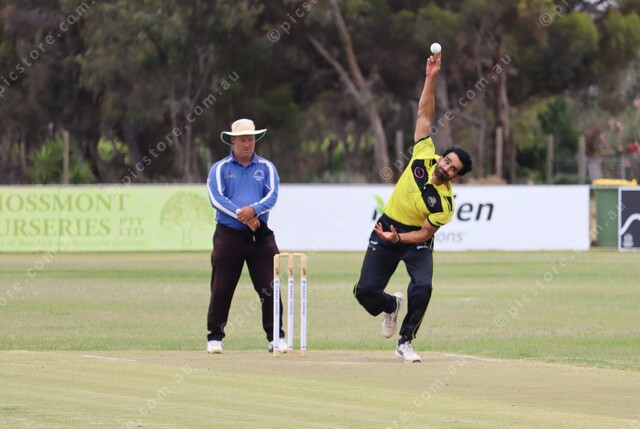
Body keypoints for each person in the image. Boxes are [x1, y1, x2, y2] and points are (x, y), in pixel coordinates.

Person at [353, 53, 473, 363]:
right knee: (365, 292)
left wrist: (400, 239)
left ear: (456, 176)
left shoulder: (445, 203)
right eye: (447, 161)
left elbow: (424, 234)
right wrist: (431, 77)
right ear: (441, 157)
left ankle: (405, 341)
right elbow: (424, 113)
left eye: (453, 169)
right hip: (387, 225)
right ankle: (391, 306)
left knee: (423, 286)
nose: (446, 168)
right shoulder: (423, 153)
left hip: (413, 238)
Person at [205, 118, 287, 354]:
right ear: (233, 141)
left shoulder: (267, 167)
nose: (247, 144)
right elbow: (216, 199)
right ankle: (215, 337)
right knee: (221, 287)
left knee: (270, 287)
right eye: (242, 140)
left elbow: (272, 196)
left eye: (250, 139)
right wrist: (243, 215)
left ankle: (276, 337)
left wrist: (254, 211)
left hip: (259, 234)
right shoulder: (220, 168)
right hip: (228, 235)